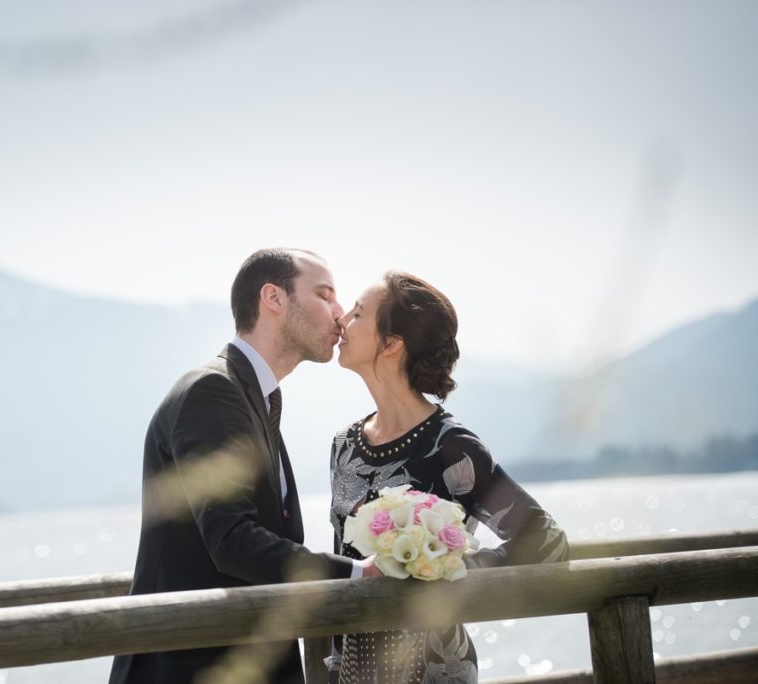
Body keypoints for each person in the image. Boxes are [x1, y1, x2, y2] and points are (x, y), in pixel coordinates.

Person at [110, 248, 381, 684]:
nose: (340, 313)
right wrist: (356, 572)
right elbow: (231, 540)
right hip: (188, 665)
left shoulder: (257, 397)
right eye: (325, 295)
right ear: (273, 298)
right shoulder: (212, 391)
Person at [328, 271, 570, 684]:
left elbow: (547, 543)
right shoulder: (344, 445)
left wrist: (444, 568)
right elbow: (346, 559)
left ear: (391, 344)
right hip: (356, 674)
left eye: (358, 313)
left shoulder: (452, 447)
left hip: (436, 671)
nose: (341, 321)